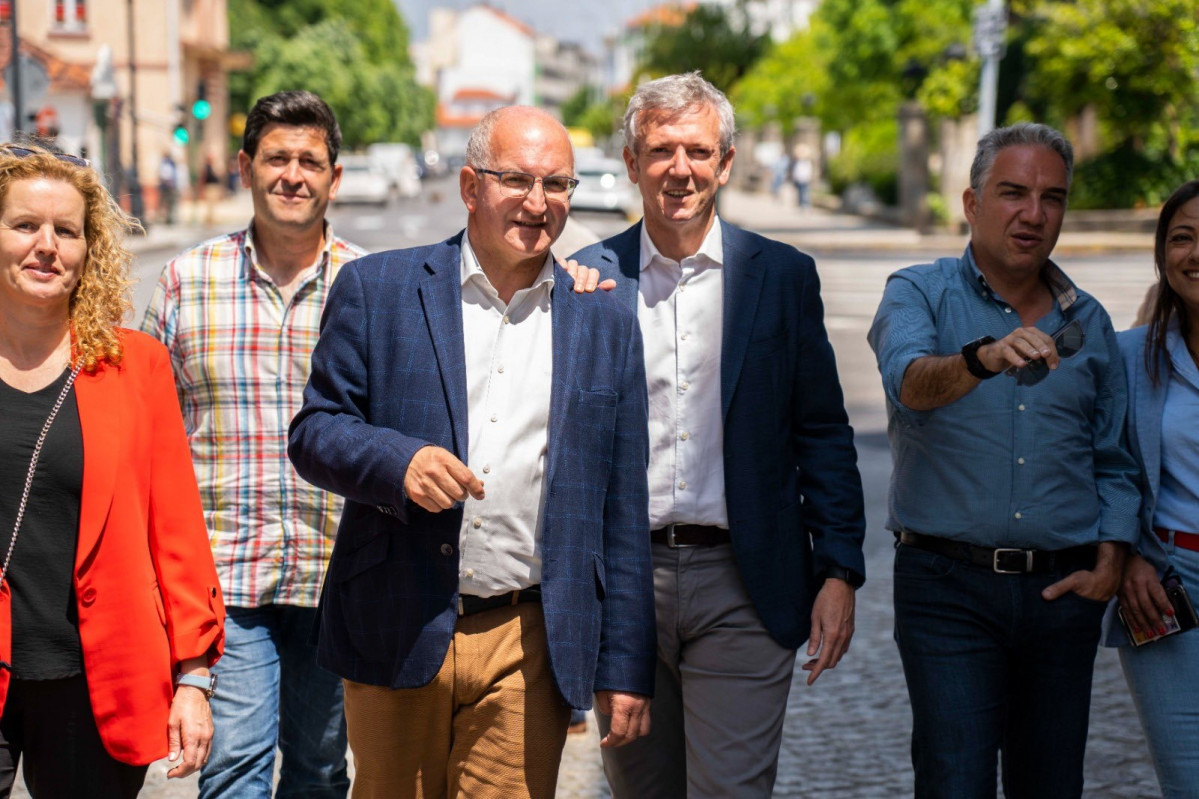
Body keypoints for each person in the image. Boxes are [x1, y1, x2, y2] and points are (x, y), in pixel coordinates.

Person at [287, 106, 656, 798]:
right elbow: (315, 432)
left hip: (529, 638)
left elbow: (621, 507)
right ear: (468, 186)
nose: (537, 202)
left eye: (556, 184)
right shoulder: (379, 290)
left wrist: (625, 664)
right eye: (515, 179)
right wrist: (396, 462)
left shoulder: (604, 316)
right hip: (398, 619)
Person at [569, 71, 866, 798]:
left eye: (698, 151)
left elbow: (821, 429)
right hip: (623, 581)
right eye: (661, 150)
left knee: (730, 789)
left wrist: (838, 569)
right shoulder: (585, 280)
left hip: (745, 579)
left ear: (725, 162)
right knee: (641, 788)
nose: (680, 169)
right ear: (633, 163)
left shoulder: (782, 277)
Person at [867, 122, 1141, 798]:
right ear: (970, 203)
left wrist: (1110, 556)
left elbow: (1113, 456)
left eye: (1051, 198)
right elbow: (908, 383)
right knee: (954, 780)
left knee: (1049, 784)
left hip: (1061, 592)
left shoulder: (1092, 322)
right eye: (1012, 192)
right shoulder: (918, 291)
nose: (1032, 213)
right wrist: (982, 356)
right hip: (946, 586)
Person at [141, 91, 362, 798]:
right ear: (245, 167)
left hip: (336, 572)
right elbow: (145, 431)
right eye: (276, 158)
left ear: (334, 176)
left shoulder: (372, 287)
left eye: (309, 160)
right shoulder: (185, 281)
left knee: (321, 769)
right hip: (222, 577)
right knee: (233, 765)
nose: (292, 174)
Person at [0, 144, 224, 796]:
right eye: (24, 226)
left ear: (88, 247)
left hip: (94, 683)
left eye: (66, 231)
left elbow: (175, 533)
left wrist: (193, 680)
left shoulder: (136, 366)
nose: (46, 246)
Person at [1102, 180, 1199, 798]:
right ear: (1163, 256)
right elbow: (1104, 467)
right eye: (1182, 238)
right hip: (1163, 586)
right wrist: (1130, 553)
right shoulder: (1131, 357)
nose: (1196, 253)